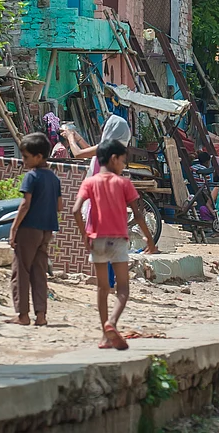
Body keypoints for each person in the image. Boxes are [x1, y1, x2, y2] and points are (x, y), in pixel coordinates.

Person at [72, 139, 157, 350]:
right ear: (113, 159)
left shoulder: (90, 182)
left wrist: (84, 235)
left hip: (96, 239)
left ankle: (104, 335)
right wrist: (149, 239)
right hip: (118, 239)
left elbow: (75, 210)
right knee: (123, 288)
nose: (124, 165)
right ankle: (112, 322)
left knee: (102, 288)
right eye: (123, 161)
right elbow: (138, 215)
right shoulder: (124, 183)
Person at [6, 133, 61, 326]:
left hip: (29, 229)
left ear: (38, 156)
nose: (23, 161)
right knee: (39, 272)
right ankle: (41, 315)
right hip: (47, 230)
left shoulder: (31, 177)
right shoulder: (54, 178)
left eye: (26, 157)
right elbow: (59, 206)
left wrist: (14, 228)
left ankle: (22, 315)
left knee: (20, 271)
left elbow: (25, 204)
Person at [61, 114, 131, 179]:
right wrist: (77, 137)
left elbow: (78, 154)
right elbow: (89, 150)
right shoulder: (118, 149)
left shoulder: (109, 148)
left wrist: (70, 137)